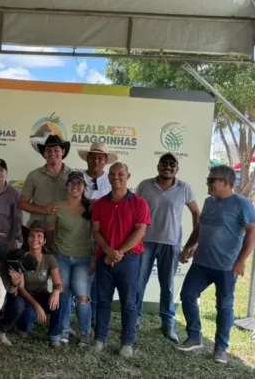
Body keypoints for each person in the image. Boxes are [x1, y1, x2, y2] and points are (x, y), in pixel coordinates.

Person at [176, 165, 255, 364]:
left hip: (226, 266)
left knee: (224, 306)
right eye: (208, 179)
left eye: (212, 180)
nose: (208, 183)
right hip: (202, 262)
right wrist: (188, 246)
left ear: (226, 183)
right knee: (187, 295)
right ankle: (194, 336)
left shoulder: (242, 204)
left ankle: (221, 349)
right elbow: (201, 226)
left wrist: (241, 260)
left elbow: (252, 232)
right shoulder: (209, 201)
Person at [135, 153, 200, 343]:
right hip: (145, 242)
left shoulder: (184, 188)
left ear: (177, 169)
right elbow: (134, 211)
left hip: (171, 244)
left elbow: (196, 213)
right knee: (139, 283)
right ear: (158, 166)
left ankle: (167, 323)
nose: (168, 167)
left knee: (168, 286)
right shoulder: (145, 185)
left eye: (172, 164)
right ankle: (135, 318)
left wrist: (193, 242)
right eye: (164, 163)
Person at [91, 162, 150, 358]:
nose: (116, 177)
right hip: (105, 258)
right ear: (108, 177)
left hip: (129, 260)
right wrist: (108, 251)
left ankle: (127, 343)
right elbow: (96, 231)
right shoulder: (99, 204)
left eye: (121, 174)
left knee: (129, 304)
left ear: (128, 176)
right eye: (113, 174)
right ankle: (100, 339)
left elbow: (140, 231)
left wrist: (119, 252)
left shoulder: (139, 203)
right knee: (103, 302)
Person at [0, 221, 63, 347]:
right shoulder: (20, 256)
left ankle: (54, 336)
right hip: (23, 296)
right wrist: (37, 306)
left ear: (44, 241)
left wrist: (56, 291)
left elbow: (58, 283)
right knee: (26, 316)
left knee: (61, 300)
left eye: (39, 236)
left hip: (41, 294)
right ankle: (10, 327)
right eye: (31, 235)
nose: (35, 239)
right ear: (27, 238)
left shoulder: (49, 259)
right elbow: (20, 288)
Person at [48, 171, 94, 346]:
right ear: (66, 186)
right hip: (62, 256)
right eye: (71, 183)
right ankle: (64, 330)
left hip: (83, 258)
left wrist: (96, 257)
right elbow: (51, 233)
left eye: (79, 183)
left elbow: (97, 234)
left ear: (84, 187)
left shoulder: (91, 208)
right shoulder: (56, 207)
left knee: (83, 297)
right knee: (64, 294)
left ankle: (85, 333)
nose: (75, 186)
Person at [77, 143, 117, 329]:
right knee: (79, 273)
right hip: (78, 233)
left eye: (100, 158)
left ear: (106, 161)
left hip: (102, 235)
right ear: (87, 158)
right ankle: (77, 314)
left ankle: (92, 316)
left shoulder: (112, 182)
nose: (96, 161)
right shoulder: (77, 178)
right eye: (93, 157)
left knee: (97, 275)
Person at [21, 135, 73, 232]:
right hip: (38, 231)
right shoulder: (34, 175)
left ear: (63, 152)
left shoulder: (72, 176)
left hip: (64, 231)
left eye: (56, 150)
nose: (52, 153)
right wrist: (43, 210)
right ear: (44, 153)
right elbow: (23, 203)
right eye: (48, 150)